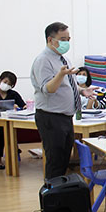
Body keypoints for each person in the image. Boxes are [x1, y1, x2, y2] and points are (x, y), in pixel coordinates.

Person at [30, 22, 94, 179]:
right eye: (63, 39)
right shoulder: (43, 60)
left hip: (65, 116)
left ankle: (60, 190)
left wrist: (82, 91)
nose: (66, 43)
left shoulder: (63, 59)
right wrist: (60, 75)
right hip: (51, 116)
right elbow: (48, 88)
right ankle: (52, 191)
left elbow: (67, 85)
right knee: (55, 161)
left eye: (68, 39)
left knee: (64, 158)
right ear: (50, 40)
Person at [0, 71, 26, 170]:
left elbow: (23, 105)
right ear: (0, 80)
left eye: (9, 84)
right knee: (1, 130)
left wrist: (24, 107)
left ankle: (12, 149)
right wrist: (10, 107)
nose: (6, 85)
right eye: (5, 82)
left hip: (6, 123)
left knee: (6, 128)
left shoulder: (14, 94)